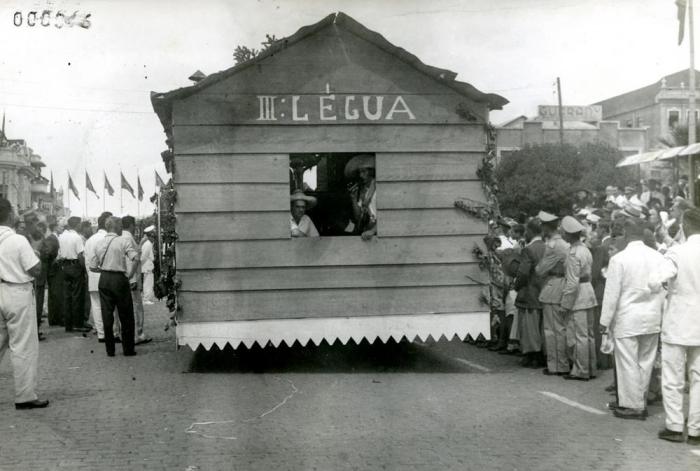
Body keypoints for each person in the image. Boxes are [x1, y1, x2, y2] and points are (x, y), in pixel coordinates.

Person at [600, 220, 665, 420]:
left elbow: (612, 295)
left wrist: (605, 322)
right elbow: (663, 289)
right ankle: (640, 400)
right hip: (652, 316)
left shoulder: (619, 259)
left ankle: (631, 405)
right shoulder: (658, 257)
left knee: (627, 362)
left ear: (627, 236)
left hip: (627, 317)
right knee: (645, 362)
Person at [650, 208, 700, 444]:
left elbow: (655, 280)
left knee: (673, 377)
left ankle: (674, 425)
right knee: (699, 378)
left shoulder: (677, 252)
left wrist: (665, 286)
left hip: (678, 323)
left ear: (685, 226)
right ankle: (696, 429)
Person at [0, 197, 49, 409]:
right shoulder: (18, 240)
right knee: (22, 346)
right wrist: (36, 253)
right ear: (10, 215)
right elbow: (35, 270)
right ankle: (24, 395)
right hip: (17, 292)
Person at [90, 216, 138, 357]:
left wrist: (104, 270)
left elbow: (92, 266)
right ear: (116, 227)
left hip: (104, 279)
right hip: (119, 279)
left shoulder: (99, 243)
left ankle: (110, 350)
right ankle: (128, 349)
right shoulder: (123, 241)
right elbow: (136, 258)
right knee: (126, 315)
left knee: (107, 315)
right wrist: (130, 274)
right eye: (120, 226)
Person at [560, 215, 598, 381]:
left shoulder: (573, 254)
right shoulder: (585, 249)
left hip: (578, 296)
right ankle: (590, 367)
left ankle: (580, 370)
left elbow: (572, 282)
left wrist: (565, 304)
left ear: (568, 234)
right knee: (588, 334)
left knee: (578, 335)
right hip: (588, 292)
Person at [535, 211, 570, 376]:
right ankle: (561, 364)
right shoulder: (563, 244)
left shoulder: (553, 246)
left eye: (542, 226)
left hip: (553, 286)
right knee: (560, 328)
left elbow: (540, 270)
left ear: (547, 227)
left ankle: (556, 365)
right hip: (562, 285)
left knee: (552, 329)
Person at [84, 212, 121, 343]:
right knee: (112, 307)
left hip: (92, 276)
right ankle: (113, 333)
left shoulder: (89, 240)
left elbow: (87, 260)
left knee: (96, 306)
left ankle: (101, 334)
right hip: (107, 276)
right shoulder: (108, 239)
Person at [513, 218, 545, 368]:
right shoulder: (546, 247)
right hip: (543, 290)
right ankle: (540, 353)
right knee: (540, 325)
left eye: (526, 231)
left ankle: (532, 354)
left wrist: (516, 285)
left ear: (531, 232)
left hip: (529, 291)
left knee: (528, 326)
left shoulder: (528, 249)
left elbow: (523, 273)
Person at [121, 216, 151, 345]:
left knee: (127, 307)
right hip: (132, 277)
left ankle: (130, 334)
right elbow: (132, 260)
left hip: (125, 277)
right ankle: (138, 334)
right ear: (132, 225)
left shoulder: (121, 237)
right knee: (137, 307)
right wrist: (132, 278)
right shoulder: (128, 238)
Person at [57, 216, 89, 332]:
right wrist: (85, 269)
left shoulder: (61, 236)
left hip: (65, 266)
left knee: (67, 296)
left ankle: (68, 324)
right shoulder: (77, 237)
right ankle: (78, 324)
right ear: (77, 224)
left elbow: (59, 254)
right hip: (75, 266)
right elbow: (80, 255)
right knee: (77, 296)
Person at [345, 154, 377, 240]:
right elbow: (358, 216)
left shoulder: (379, 189)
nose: (360, 175)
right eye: (359, 172)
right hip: (366, 231)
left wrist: (373, 231)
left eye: (363, 172)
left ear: (372, 172)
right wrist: (353, 198)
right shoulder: (362, 191)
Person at [42, 221, 63, 326]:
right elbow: (47, 254)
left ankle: (55, 318)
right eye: (60, 226)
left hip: (53, 270)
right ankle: (55, 319)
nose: (62, 227)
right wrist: (55, 261)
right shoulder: (51, 238)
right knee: (55, 294)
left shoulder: (54, 237)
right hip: (53, 271)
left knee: (55, 294)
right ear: (55, 227)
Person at [141, 225, 156, 304]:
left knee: (149, 283)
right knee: (148, 283)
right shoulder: (147, 244)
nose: (153, 238)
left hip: (147, 266)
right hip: (147, 266)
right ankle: (146, 299)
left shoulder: (148, 243)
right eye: (152, 235)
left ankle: (147, 298)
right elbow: (143, 257)